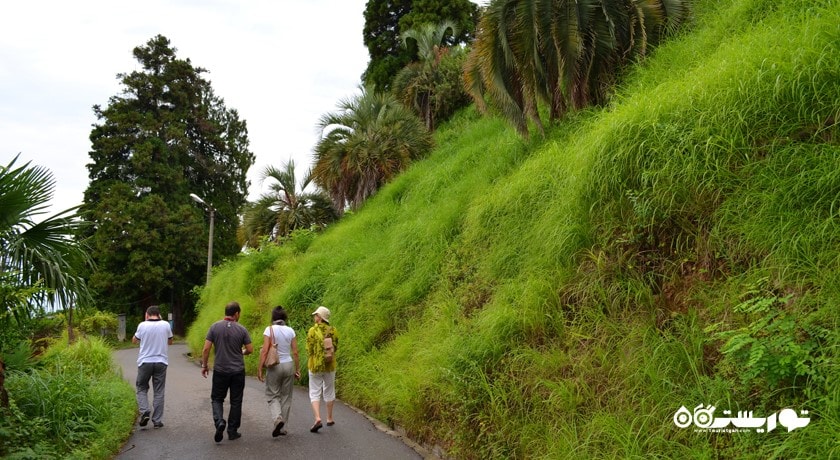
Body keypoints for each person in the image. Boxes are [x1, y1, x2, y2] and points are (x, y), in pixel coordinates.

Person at [201, 301, 254, 442]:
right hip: (237, 371)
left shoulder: (214, 327)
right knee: (236, 401)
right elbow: (250, 349)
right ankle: (232, 431)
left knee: (217, 399)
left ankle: (219, 422)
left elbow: (206, 349)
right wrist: (241, 352)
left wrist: (204, 365)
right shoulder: (242, 329)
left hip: (220, 370)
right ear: (236, 313)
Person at [257, 306, 300, 437]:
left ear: (273, 318)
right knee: (286, 396)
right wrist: (297, 369)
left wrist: (260, 367)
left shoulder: (269, 330)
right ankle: (283, 428)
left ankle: (277, 419)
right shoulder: (290, 331)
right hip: (288, 364)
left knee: (272, 394)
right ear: (284, 318)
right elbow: (296, 352)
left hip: (274, 365)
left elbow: (264, 351)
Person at [132, 305, 173, 429]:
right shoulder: (166, 325)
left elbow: (134, 340)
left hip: (145, 362)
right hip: (161, 362)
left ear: (147, 314)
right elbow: (170, 341)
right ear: (159, 314)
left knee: (141, 387)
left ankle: (145, 411)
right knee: (159, 391)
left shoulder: (142, 325)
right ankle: (157, 420)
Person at [306, 305, 339, 433]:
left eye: (316, 315)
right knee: (329, 390)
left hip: (315, 365)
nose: (314, 317)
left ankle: (317, 418)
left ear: (319, 317)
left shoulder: (312, 331)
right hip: (330, 365)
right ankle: (329, 418)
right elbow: (335, 346)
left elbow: (309, 349)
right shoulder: (333, 330)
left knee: (314, 391)